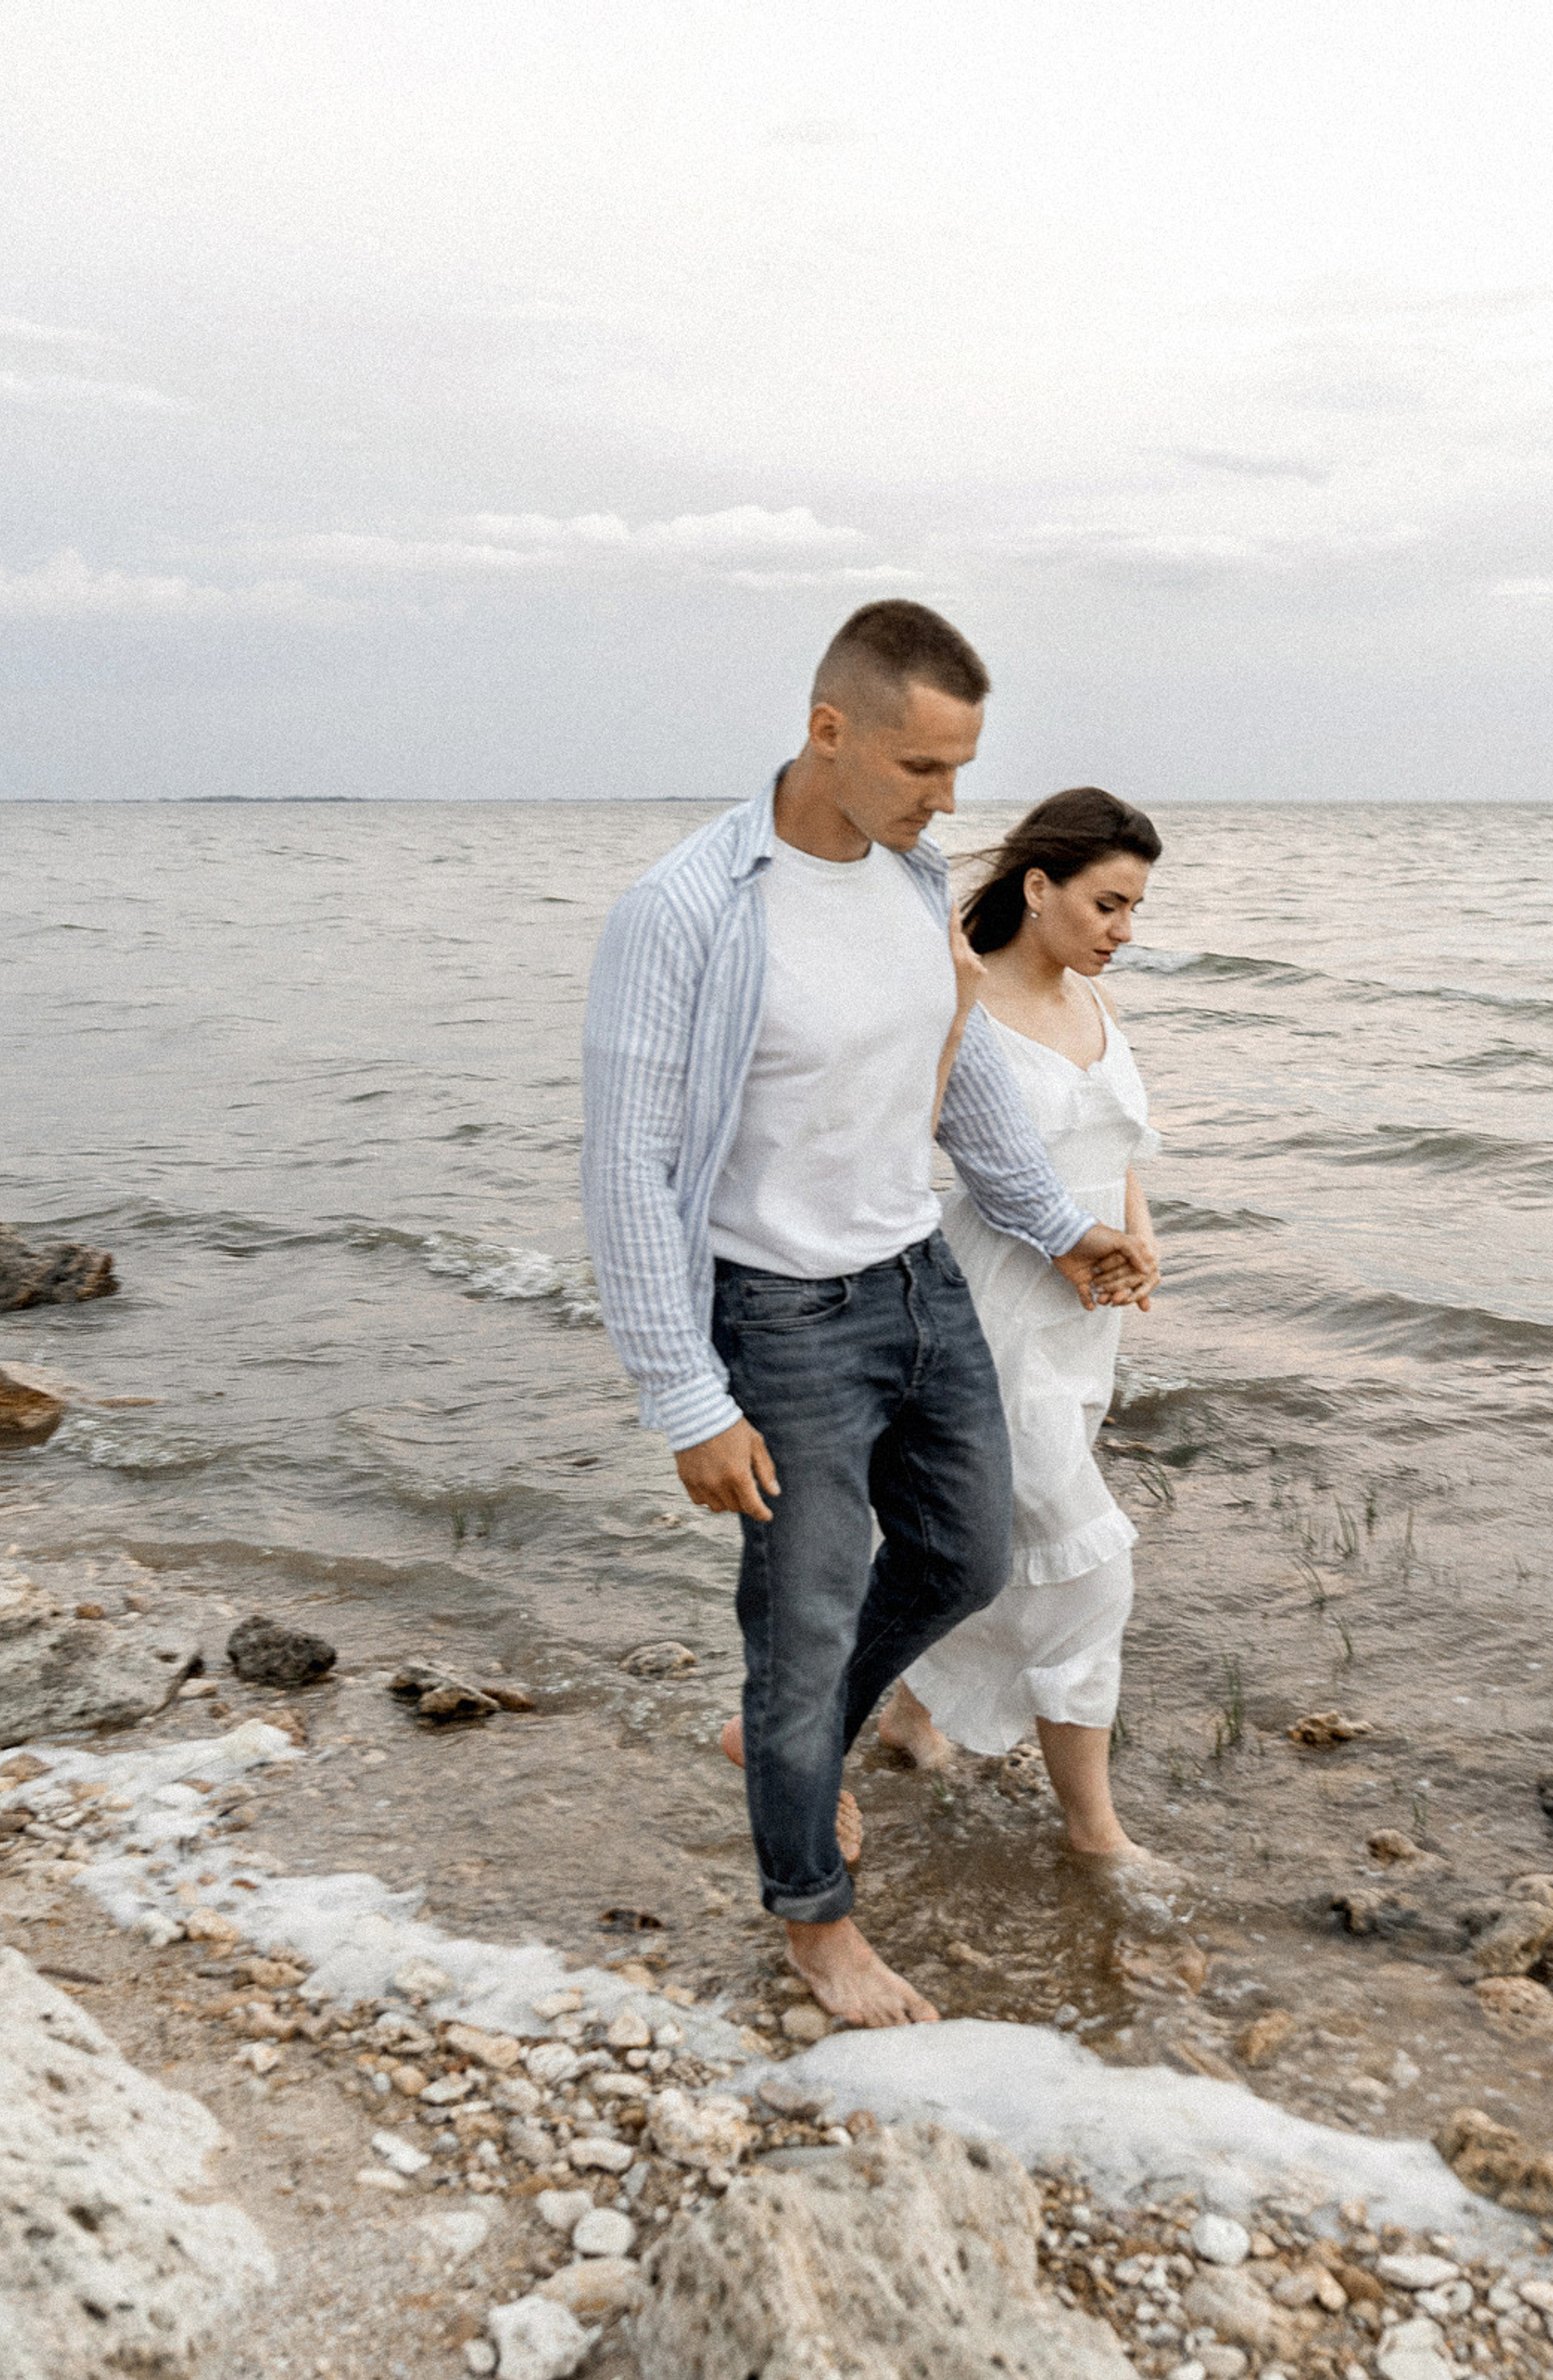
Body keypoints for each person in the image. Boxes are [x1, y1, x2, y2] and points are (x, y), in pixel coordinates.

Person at [579, 601, 1141, 2029]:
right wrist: (687, 1400)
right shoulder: (690, 910)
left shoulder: (911, 881)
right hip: (776, 1320)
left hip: (920, 1285)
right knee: (803, 1623)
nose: (951, 801)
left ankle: (798, 1745)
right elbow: (629, 1167)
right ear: (830, 731)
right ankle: (815, 1926)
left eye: (962, 767)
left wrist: (1061, 1225)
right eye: (920, 768)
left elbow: (957, 1082)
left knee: (962, 1556)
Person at [886, 788, 1167, 1871]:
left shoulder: (1099, 1011)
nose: (1123, 931)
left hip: (1083, 1321)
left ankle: (913, 1711)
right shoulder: (961, 1000)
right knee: (1089, 1565)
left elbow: (1120, 1147)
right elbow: (959, 1159)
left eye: (1135, 908)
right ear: (1038, 885)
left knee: (985, 1536)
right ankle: (1094, 1832)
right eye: (1107, 903)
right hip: (991, 1311)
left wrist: (1142, 1248)